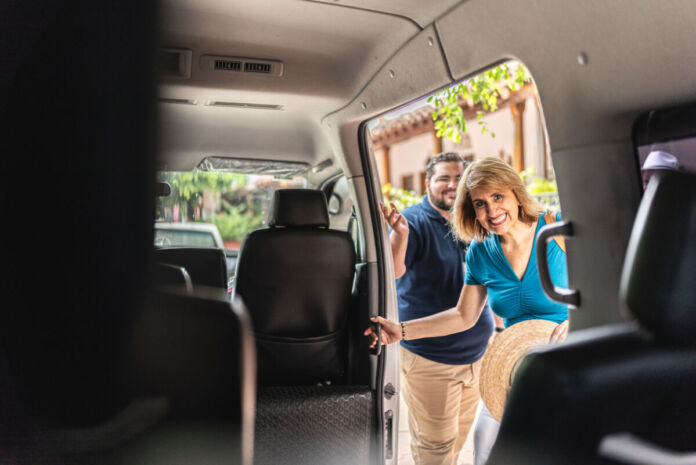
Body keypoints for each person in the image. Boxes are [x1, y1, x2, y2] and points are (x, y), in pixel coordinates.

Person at [366, 157, 569, 464]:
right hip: (513, 368)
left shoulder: (556, 228)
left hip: (569, 359)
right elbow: (463, 315)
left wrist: (578, 320)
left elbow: (607, 278)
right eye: (480, 204)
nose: (491, 211)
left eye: (497, 197)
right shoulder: (480, 251)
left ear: (516, 193)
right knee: (485, 448)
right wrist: (401, 329)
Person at [379, 152, 499, 465]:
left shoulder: (472, 222)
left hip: (475, 357)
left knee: (458, 441)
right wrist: (400, 235)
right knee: (435, 449)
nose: (452, 185)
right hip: (431, 359)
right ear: (428, 183)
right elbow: (392, 273)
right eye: (443, 178)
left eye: (459, 178)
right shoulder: (414, 222)